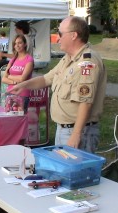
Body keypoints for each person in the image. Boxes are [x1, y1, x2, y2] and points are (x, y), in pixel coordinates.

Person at [9, 16, 107, 153]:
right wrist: (23, 85)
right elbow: (46, 79)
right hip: (64, 129)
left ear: (73, 35)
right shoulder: (68, 59)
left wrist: (76, 134)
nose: (58, 38)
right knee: (62, 172)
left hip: (78, 131)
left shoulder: (87, 63)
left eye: (60, 33)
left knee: (76, 173)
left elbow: (85, 102)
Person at [2, 34, 34, 113]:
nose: (17, 45)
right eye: (15, 44)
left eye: (20, 43)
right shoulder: (13, 60)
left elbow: (23, 78)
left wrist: (9, 76)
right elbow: (3, 78)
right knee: (8, 119)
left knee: (20, 120)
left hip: (22, 94)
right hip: (10, 94)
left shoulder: (29, 59)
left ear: (25, 44)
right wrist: (15, 82)